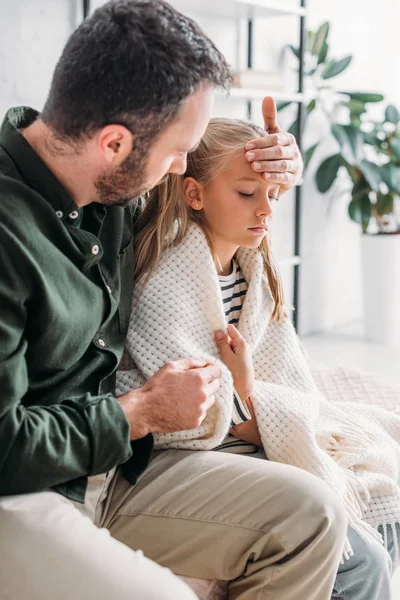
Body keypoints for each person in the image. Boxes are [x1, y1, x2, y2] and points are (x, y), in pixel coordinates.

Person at [0, 1, 326, 599]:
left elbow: (214, 195)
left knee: (314, 515)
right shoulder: (9, 235)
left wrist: (278, 169)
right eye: (179, 152)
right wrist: (141, 411)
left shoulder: (106, 183)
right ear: (115, 143)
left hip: (120, 471)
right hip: (31, 493)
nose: (182, 169)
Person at [117, 117, 400, 600]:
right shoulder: (167, 279)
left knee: (384, 494)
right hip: (198, 454)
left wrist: (249, 392)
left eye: (273, 193)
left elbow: (289, 380)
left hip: (253, 429)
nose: (266, 209)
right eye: (248, 193)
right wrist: (246, 392)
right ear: (194, 194)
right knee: (364, 557)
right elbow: (199, 415)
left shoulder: (254, 271)